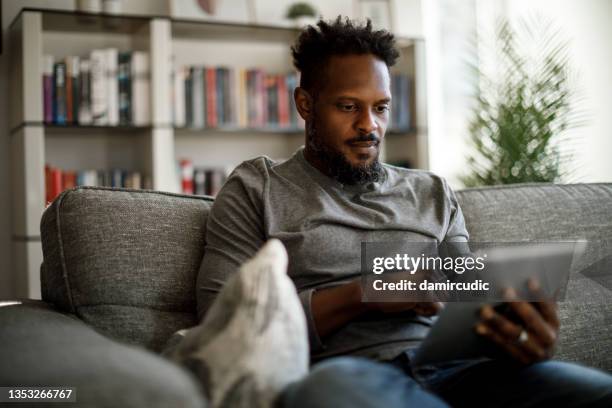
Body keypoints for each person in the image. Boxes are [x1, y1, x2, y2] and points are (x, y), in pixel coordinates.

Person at [193, 17, 612, 407]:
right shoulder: (257, 188)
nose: (369, 126)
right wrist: (367, 294)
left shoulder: (431, 192)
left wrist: (518, 335)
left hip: (465, 372)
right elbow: (222, 326)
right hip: (352, 372)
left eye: (380, 107)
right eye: (348, 107)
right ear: (305, 104)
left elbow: (467, 300)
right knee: (332, 390)